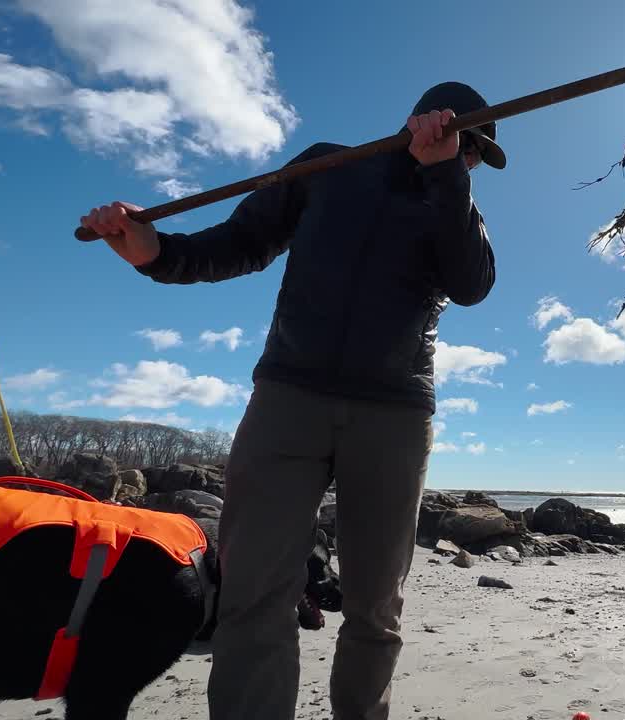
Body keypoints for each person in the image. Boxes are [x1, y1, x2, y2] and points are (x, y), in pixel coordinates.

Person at [79, 81, 505, 720]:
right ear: (418, 121)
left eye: (473, 153)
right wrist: (155, 253)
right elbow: (237, 244)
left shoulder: (456, 204)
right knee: (254, 593)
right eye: (464, 143)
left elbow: (472, 284)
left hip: (394, 413)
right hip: (288, 397)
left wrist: (447, 178)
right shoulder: (330, 165)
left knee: (375, 604)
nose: (467, 158)